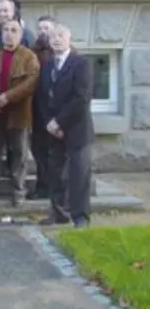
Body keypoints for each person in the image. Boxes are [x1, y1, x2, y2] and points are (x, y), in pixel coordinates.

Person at [38, 24, 94, 228]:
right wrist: (49, 123)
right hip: (54, 131)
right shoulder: (47, 66)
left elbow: (82, 98)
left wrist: (59, 121)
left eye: (60, 36)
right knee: (55, 174)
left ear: (69, 39)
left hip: (77, 129)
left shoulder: (81, 64)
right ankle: (58, 213)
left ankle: (81, 217)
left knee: (79, 175)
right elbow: (43, 99)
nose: (56, 39)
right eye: (52, 37)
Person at [0, 20, 40, 208]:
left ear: (21, 35)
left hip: (19, 113)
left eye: (14, 30)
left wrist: (8, 97)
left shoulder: (29, 56)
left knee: (19, 153)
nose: (9, 34)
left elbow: (31, 82)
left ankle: (19, 189)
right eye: (6, 30)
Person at [29, 15, 56, 200]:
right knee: (39, 151)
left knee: (56, 152)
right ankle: (42, 185)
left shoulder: (61, 52)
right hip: (37, 109)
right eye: (40, 28)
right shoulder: (32, 53)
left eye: (47, 28)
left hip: (56, 110)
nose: (43, 32)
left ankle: (57, 187)